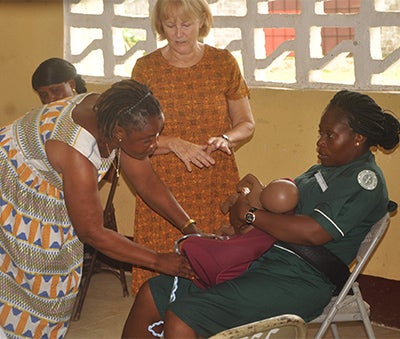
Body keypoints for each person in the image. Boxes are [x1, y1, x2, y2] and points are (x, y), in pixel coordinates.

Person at [121, 90, 400, 338]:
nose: (320, 142)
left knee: (184, 316)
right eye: (320, 133)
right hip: (262, 262)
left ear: (358, 139)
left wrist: (252, 216)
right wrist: (242, 226)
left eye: (330, 135)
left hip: (300, 280)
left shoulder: (363, 180)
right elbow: (281, 207)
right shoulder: (323, 170)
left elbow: (315, 232)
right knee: (153, 293)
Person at [0, 79, 198, 339]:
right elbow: (92, 233)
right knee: (35, 284)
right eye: (149, 138)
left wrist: (190, 227)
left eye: (158, 134)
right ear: (118, 133)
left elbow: (147, 182)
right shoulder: (77, 151)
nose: (156, 145)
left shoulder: (115, 117)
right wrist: (157, 260)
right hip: (13, 182)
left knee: (59, 279)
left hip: (46, 183)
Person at [130, 0, 255, 293]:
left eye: (186, 24)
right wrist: (172, 143)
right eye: (170, 25)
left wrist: (226, 139)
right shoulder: (146, 69)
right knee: (162, 276)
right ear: (161, 26)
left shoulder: (223, 63)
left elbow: (246, 124)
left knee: (218, 268)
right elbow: (134, 140)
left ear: (201, 21)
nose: (178, 33)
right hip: (162, 186)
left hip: (214, 179)